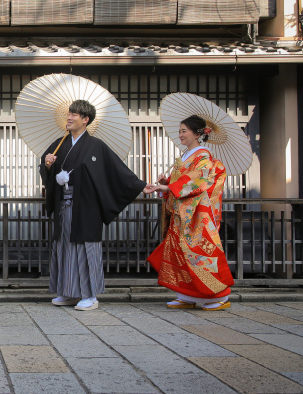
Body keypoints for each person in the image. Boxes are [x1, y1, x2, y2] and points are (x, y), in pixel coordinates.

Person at [40, 100, 156, 311]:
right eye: (69, 113)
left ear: (86, 120)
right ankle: (68, 292)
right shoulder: (59, 143)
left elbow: (115, 171)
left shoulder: (96, 146)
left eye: (74, 114)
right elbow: (47, 171)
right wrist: (48, 166)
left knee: (86, 248)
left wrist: (139, 185)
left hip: (86, 207)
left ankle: (90, 294)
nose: (69, 117)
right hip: (64, 206)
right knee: (64, 247)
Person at [147, 114, 235, 310]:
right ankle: (186, 294)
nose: (180, 135)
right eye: (179, 131)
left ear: (197, 133)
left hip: (197, 214)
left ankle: (217, 296)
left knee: (199, 253)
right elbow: (180, 182)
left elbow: (197, 181)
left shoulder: (203, 157)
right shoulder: (187, 155)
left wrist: (170, 188)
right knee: (179, 253)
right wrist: (166, 183)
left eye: (183, 131)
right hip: (182, 213)